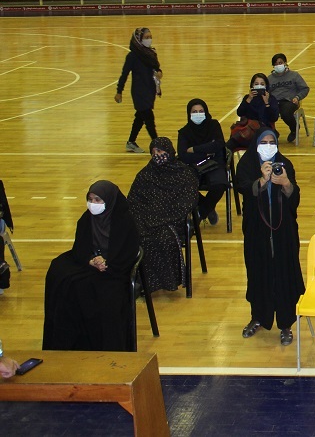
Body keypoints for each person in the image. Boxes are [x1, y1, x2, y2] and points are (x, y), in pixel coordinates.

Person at [43, 181, 139, 351]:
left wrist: (107, 263)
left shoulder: (125, 222)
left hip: (115, 270)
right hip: (92, 263)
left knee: (101, 293)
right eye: (90, 199)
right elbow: (80, 247)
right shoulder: (86, 219)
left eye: (97, 200)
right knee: (62, 277)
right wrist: (91, 260)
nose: (93, 204)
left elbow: (127, 253)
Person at [236, 128, 304, 347]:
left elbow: (295, 198)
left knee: (285, 274)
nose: (268, 146)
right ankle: (258, 317)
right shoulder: (246, 164)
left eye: (271, 142)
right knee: (258, 273)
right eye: (263, 142)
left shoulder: (285, 164)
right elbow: (242, 187)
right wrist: (262, 181)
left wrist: (285, 183)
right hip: (257, 232)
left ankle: (286, 323)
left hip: (284, 232)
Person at [128, 138, 199, 294]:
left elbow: (187, 203)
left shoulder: (184, 174)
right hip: (146, 219)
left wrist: (161, 217)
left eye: (160, 151)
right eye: (153, 152)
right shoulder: (145, 174)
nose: (157, 155)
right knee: (138, 237)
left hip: (172, 221)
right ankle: (142, 283)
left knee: (163, 239)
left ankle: (166, 281)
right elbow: (133, 201)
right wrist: (146, 218)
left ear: (169, 151)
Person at [177, 98, 227, 225]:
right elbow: (183, 155)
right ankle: (208, 207)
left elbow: (219, 144)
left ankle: (200, 213)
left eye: (201, 111)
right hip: (194, 167)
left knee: (220, 185)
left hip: (214, 164)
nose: (198, 114)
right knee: (184, 185)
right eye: (194, 112)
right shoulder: (184, 132)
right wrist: (206, 152)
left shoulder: (214, 125)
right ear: (189, 114)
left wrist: (194, 149)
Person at [115, 27, 162, 154]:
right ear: (139, 39)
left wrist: (159, 73)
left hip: (150, 90)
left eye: (150, 37)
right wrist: (119, 91)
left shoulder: (151, 53)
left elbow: (157, 68)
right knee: (149, 118)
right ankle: (157, 145)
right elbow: (124, 74)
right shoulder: (132, 56)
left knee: (140, 117)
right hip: (139, 92)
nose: (149, 39)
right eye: (146, 37)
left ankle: (131, 142)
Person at [268, 53, 310, 144]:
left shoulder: (294, 75)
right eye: (276, 64)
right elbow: (267, 92)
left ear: (285, 63)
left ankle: (294, 129)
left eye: (280, 63)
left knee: (285, 113)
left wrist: (297, 97)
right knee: (264, 111)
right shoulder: (270, 79)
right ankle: (272, 131)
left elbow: (305, 88)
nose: (278, 65)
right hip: (275, 101)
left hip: (290, 101)